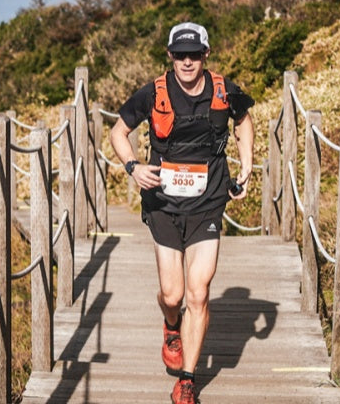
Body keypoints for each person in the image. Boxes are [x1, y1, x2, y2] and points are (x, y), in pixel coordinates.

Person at [109, 21, 255, 404]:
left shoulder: (224, 90)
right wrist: (133, 167)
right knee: (173, 295)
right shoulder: (152, 92)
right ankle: (171, 325)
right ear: (170, 55)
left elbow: (244, 120)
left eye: (194, 54)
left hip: (208, 201)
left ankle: (187, 381)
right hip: (163, 203)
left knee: (198, 292)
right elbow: (117, 132)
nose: (187, 62)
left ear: (206, 54)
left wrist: (247, 166)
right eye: (180, 54)